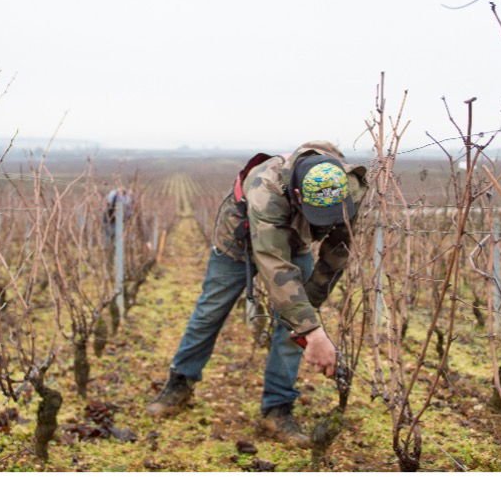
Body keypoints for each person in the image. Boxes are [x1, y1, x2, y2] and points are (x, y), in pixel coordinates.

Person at [145, 141, 366, 447]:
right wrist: (314, 332)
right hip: (238, 240)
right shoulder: (265, 189)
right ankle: (180, 382)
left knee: (293, 324)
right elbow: (274, 263)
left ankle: (277, 408)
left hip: (294, 239)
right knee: (210, 311)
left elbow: (338, 250)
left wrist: (306, 321)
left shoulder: (349, 188)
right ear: (300, 195)